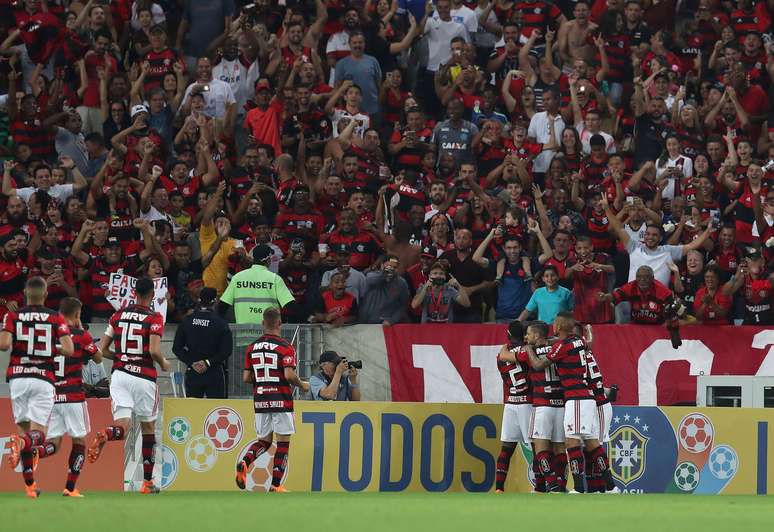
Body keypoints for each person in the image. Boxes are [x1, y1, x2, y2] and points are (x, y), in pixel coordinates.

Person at [87, 277, 171, 495]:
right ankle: (147, 483)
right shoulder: (155, 317)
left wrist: (122, 357)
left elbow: (102, 350)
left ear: (134, 293)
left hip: (120, 375)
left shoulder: (117, 315)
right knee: (148, 429)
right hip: (143, 377)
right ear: (152, 294)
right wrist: (163, 362)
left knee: (123, 428)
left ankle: (108, 433)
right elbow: (153, 351)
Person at [525, 312, 615, 493]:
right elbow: (571, 344)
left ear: (558, 327)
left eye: (556, 323)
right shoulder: (579, 341)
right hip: (586, 398)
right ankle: (611, 486)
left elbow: (537, 365)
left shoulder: (562, 346)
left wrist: (528, 349)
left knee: (571, 442)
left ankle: (580, 488)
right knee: (591, 443)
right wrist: (549, 341)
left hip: (576, 399)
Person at [2, 277, 75, 498]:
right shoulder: (56, 317)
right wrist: (49, 348)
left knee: (24, 430)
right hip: (42, 378)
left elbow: (4, 344)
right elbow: (69, 349)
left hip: (18, 378)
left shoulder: (12, 315)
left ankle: (30, 486)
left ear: (25, 293)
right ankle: (21, 445)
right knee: (38, 436)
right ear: (45, 294)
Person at [29, 297, 101, 497]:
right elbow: (98, 357)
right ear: (77, 314)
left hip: (53, 397)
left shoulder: (49, 335)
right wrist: (83, 333)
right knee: (79, 442)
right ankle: (70, 487)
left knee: (54, 443)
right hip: (74, 397)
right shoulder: (81, 335)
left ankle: (37, 451)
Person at [236, 307, 310, 493]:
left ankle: (245, 462)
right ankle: (276, 485)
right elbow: (289, 374)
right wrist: (302, 385)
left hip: (260, 399)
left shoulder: (251, 348)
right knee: (283, 443)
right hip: (281, 399)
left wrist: (263, 380)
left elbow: (246, 378)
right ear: (279, 323)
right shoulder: (286, 347)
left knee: (264, 442)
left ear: (263, 324)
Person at [522, 320, 565, 493]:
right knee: (560, 448)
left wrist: (523, 348)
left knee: (540, 448)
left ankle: (552, 483)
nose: (526, 337)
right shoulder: (558, 348)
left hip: (542, 405)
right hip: (560, 405)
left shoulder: (529, 351)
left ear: (537, 335)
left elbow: (505, 356)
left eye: (529, 333)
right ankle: (561, 484)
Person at [492, 321, 532, 493]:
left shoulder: (501, 355)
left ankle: (499, 488)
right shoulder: (528, 352)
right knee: (538, 448)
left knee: (506, 449)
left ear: (508, 335)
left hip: (511, 403)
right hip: (527, 404)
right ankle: (541, 486)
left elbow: (504, 359)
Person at [173, 287, 232, 398]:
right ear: (215, 301)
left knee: (192, 411)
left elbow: (176, 348)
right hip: (214, 371)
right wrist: (207, 363)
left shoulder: (187, 320)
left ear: (199, 300)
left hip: (193, 371)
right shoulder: (221, 323)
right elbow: (226, 351)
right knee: (215, 410)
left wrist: (192, 363)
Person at [219, 244, 295, 324]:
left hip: (242, 333)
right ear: (268, 259)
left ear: (253, 258)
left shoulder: (237, 278)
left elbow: (223, 306)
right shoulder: (275, 279)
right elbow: (291, 306)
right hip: (267, 332)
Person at [358, 255, 410, 325]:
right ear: (382, 265)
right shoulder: (371, 275)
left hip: (384, 323)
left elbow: (403, 304)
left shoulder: (401, 283)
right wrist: (384, 274)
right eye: (389, 266)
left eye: (394, 267)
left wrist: (392, 320)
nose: (391, 269)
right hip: (365, 322)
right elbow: (372, 281)